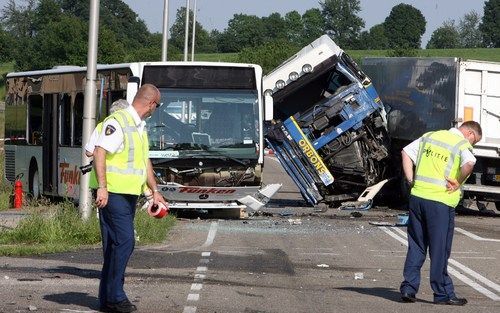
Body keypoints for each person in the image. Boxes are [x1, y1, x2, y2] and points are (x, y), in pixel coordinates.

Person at [91, 84, 168, 313]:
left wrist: (154, 190)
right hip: (113, 193)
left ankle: (107, 298)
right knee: (125, 242)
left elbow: (145, 162)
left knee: (114, 245)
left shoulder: (139, 126)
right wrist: (102, 188)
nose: (156, 109)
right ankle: (115, 297)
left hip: (128, 194)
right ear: (152, 103)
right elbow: (99, 151)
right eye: (158, 105)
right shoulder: (119, 121)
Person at [399, 121, 482, 306]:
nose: (472, 145)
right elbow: (470, 162)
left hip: (418, 198)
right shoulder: (460, 144)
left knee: (416, 246)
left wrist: (411, 180)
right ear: (469, 133)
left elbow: (405, 152)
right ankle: (443, 293)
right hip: (440, 203)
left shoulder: (429, 136)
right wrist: (458, 181)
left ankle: (408, 288)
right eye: (474, 141)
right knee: (439, 249)